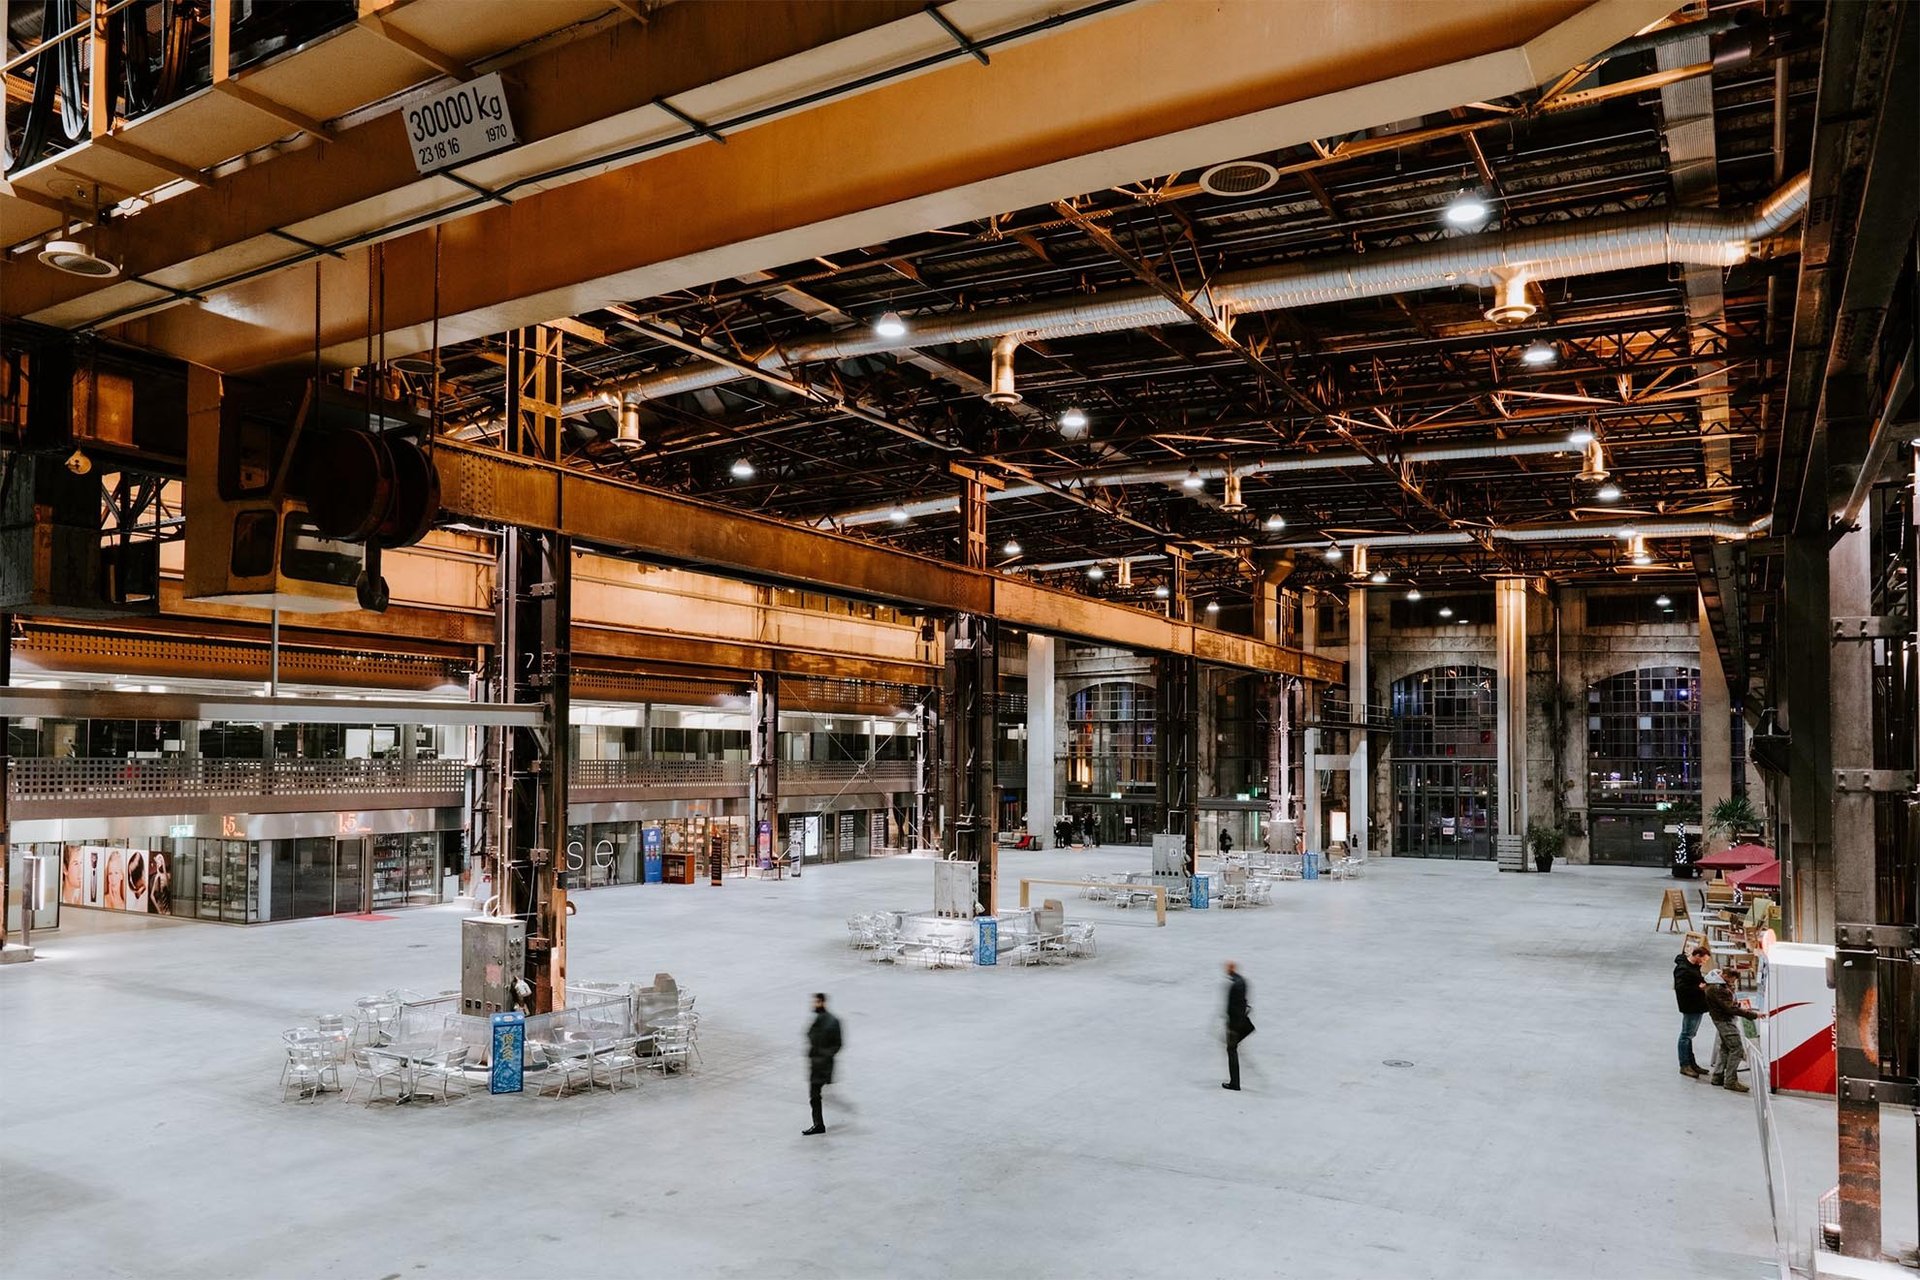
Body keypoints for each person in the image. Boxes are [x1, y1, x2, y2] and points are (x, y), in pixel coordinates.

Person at [1704, 970, 1758, 1092]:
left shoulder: (1716, 984)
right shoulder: (1718, 988)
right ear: (1726, 976)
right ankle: (1730, 1080)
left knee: (1725, 1048)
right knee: (1737, 1049)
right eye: (1732, 980)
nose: (1733, 983)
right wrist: (1752, 1015)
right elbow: (1729, 1008)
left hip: (1721, 1019)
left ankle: (1718, 1076)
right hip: (1725, 1021)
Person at [803, 992, 843, 1136]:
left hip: (822, 1065)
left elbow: (837, 1044)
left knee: (814, 1095)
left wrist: (823, 1055)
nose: (815, 1004)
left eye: (817, 1002)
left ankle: (818, 1125)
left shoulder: (832, 1021)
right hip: (816, 1064)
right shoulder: (818, 1019)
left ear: (823, 1002)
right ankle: (818, 1124)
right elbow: (808, 1034)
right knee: (814, 1095)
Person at [1672, 945, 1710, 1078]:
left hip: (1697, 1005)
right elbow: (1681, 988)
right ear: (1697, 956)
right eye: (1704, 959)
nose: (1704, 962)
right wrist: (1698, 987)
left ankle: (1691, 1063)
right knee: (1686, 1035)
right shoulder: (1683, 969)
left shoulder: (1693, 967)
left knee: (1690, 1035)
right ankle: (1685, 1065)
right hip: (1690, 1005)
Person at [1222, 961, 1254, 1091]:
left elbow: (1231, 1008)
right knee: (1232, 1048)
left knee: (1231, 1050)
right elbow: (1244, 1002)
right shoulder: (1243, 981)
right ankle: (1234, 1082)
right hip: (1241, 1020)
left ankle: (1234, 1083)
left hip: (1234, 1023)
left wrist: (1230, 1024)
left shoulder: (1234, 985)